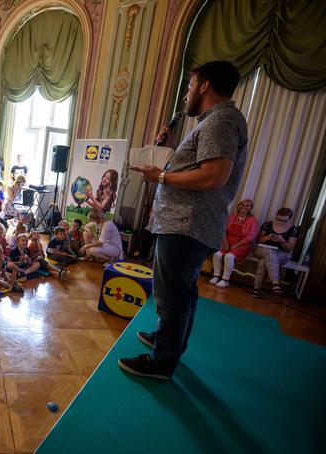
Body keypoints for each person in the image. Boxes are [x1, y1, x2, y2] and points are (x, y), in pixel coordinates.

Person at [121, 60, 247, 380]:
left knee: (172, 295)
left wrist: (161, 175)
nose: (186, 95)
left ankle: (162, 361)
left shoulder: (219, 121)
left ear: (204, 86)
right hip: (188, 223)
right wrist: (169, 150)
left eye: (190, 87)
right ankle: (170, 343)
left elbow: (213, 176)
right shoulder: (214, 121)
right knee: (183, 292)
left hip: (187, 224)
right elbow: (198, 167)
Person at [209, 199, 259, 288]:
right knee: (217, 253)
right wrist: (225, 242)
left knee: (229, 256)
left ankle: (225, 280)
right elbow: (222, 230)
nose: (244, 206)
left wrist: (237, 245)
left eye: (247, 205)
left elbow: (250, 237)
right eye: (242, 204)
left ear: (251, 208)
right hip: (227, 241)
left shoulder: (252, 221)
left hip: (242, 244)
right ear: (238, 206)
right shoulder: (231, 217)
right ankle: (216, 276)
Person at [252, 207, 299, 298]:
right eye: (277, 219)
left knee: (263, 262)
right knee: (269, 252)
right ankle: (275, 282)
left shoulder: (294, 230)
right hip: (262, 249)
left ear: (289, 219)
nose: (280, 221)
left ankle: (256, 289)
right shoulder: (267, 224)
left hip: (281, 254)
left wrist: (282, 241)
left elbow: (289, 249)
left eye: (283, 220)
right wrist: (266, 238)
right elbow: (258, 241)